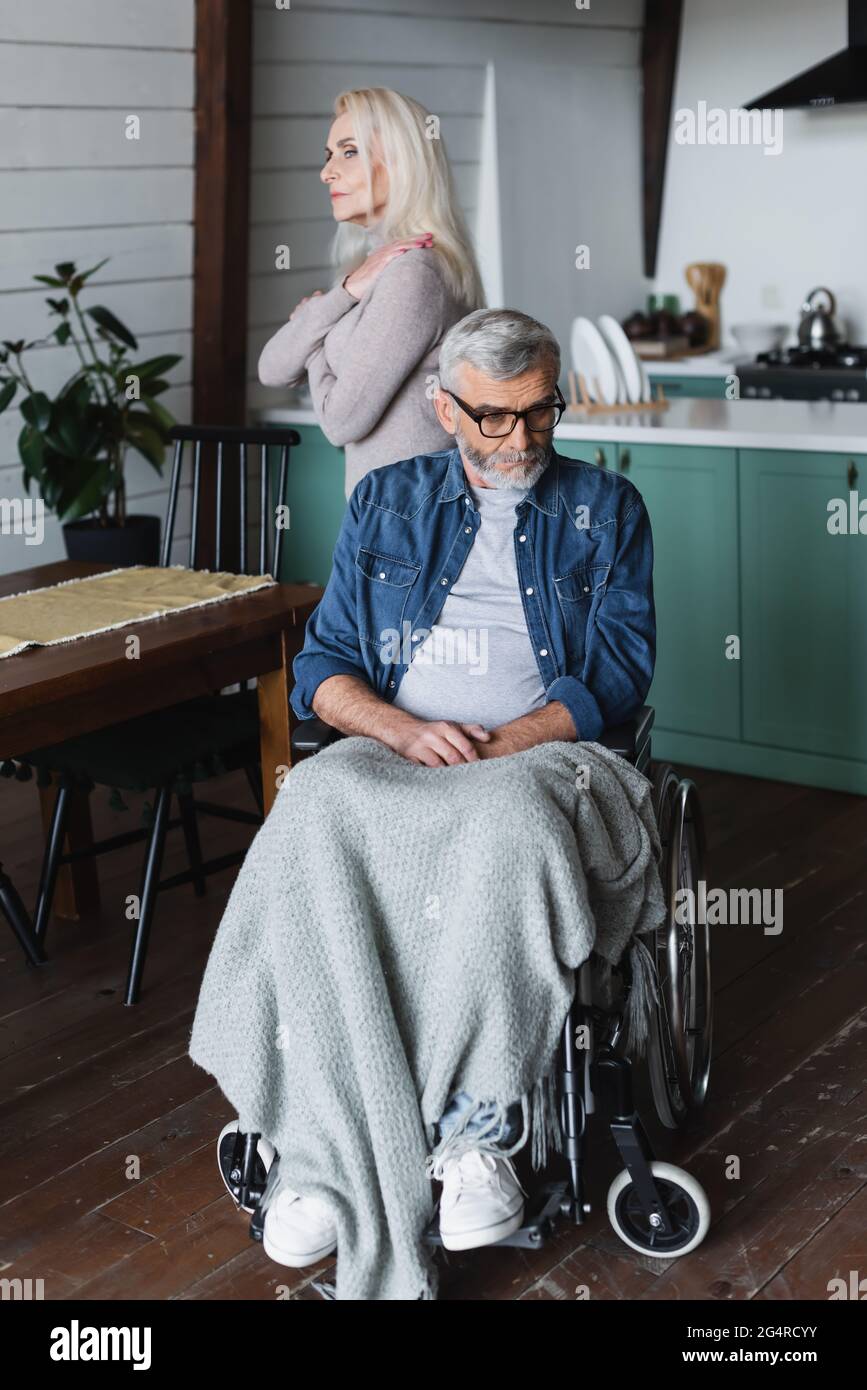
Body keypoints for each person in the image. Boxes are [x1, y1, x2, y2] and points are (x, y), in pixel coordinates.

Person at [255, 307, 656, 1268]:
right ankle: (318, 1151)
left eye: (540, 412)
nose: (521, 440)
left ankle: (476, 1138)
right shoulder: (386, 502)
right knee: (308, 805)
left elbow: (619, 671)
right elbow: (324, 666)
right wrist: (400, 728)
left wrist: (505, 741)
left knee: (509, 821)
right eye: (493, 418)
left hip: (539, 758)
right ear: (443, 407)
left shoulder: (607, 509)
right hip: (402, 748)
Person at [257, 87, 485, 498]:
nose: (327, 172)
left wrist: (313, 343)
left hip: (410, 522)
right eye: (328, 155)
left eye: (349, 152)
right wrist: (342, 293)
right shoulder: (371, 273)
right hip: (390, 517)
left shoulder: (413, 273)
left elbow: (341, 422)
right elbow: (271, 369)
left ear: (402, 162)